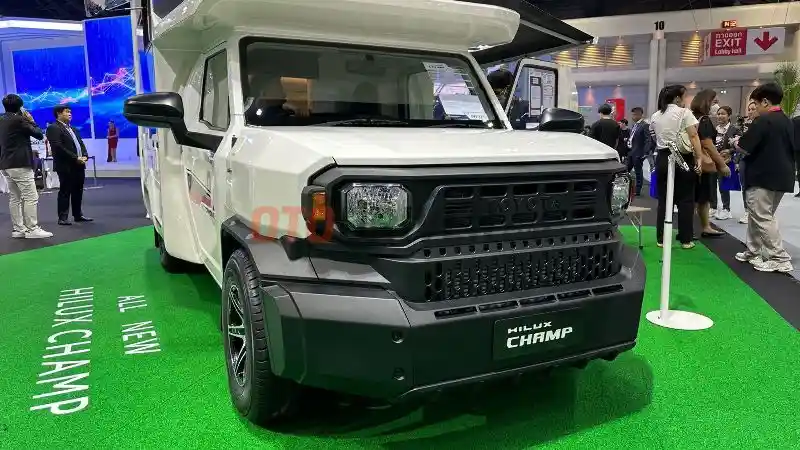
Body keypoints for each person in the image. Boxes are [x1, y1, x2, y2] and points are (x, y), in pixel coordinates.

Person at [731, 82, 794, 273]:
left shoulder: (763, 120)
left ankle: (779, 258)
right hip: (782, 175)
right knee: (758, 216)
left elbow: (744, 146)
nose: (755, 109)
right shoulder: (787, 121)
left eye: (756, 104)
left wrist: (735, 142)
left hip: (762, 176)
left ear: (765, 102)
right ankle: (754, 251)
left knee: (762, 217)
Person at [649, 85, 705, 249]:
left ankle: (661, 239)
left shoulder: (655, 115)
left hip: (662, 158)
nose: (685, 100)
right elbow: (693, 136)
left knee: (664, 200)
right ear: (677, 98)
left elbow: (654, 136)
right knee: (686, 200)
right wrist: (699, 158)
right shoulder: (684, 113)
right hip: (683, 157)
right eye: (684, 96)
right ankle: (686, 239)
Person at [0, 94, 52, 239]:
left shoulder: (1, 119)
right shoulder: (20, 119)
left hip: (5, 163)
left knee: (15, 197)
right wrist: (31, 120)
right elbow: (39, 135)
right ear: (20, 107)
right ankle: (32, 229)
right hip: (20, 163)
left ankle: (18, 229)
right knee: (31, 196)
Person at [690, 89, 729, 239]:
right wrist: (722, 164)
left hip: (692, 162)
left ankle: (699, 227)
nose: (716, 106)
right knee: (702, 198)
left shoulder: (691, 116)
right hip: (704, 164)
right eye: (715, 102)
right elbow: (708, 144)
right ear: (707, 102)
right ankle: (701, 228)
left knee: (697, 198)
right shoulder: (704, 120)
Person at [46, 105, 93, 226]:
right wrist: (75, 158)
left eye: (70, 112)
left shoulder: (74, 129)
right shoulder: (53, 128)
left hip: (79, 164)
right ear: (58, 113)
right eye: (67, 112)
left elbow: (80, 144)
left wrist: (85, 156)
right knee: (65, 191)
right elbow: (58, 147)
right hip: (65, 165)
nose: (70, 114)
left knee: (78, 190)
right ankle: (63, 217)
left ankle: (78, 215)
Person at [712, 106, 742, 220]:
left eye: (723, 114)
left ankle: (726, 209)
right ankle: (713, 207)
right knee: (711, 184)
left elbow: (740, 145)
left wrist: (730, 151)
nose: (720, 116)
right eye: (718, 114)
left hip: (726, 161)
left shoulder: (734, 130)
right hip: (713, 160)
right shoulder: (714, 129)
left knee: (723, 185)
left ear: (729, 116)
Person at [736, 101, 759, 224]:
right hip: (743, 159)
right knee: (745, 186)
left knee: (756, 187)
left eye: (753, 109)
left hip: (757, 159)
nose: (750, 111)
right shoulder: (744, 126)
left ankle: (756, 212)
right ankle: (747, 211)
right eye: (749, 109)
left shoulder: (760, 125)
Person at [627, 107, 654, 196]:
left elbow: (648, 140)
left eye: (633, 115)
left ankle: (637, 190)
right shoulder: (635, 125)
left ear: (638, 115)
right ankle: (627, 188)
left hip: (638, 153)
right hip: (631, 152)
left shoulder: (645, 125)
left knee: (638, 172)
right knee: (626, 171)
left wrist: (645, 153)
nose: (632, 117)